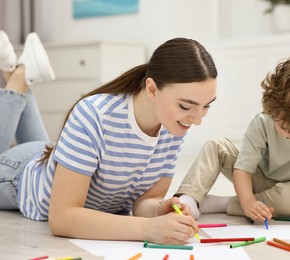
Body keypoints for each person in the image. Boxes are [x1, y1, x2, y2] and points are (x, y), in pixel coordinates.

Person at [0, 31, 218, 245]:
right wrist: (148, 228)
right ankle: (19, 77)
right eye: (186, 106)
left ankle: (17, 73)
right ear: (152, 89)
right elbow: (62, 218)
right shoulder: (94, 114)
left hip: (55, 161)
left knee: (50, 155)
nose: (197, 120)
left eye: (206, 106)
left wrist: (159, 211)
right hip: (20, 175)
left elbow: (145, 200)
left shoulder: (173, 124)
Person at [176, 56, 290, 229]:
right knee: (216, 145)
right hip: (264, 179)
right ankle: (189, 199)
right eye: (287, 129)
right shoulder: (262, 122)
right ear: (273, 111)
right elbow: (243, 169)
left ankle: (222, 204)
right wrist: (248, 200)